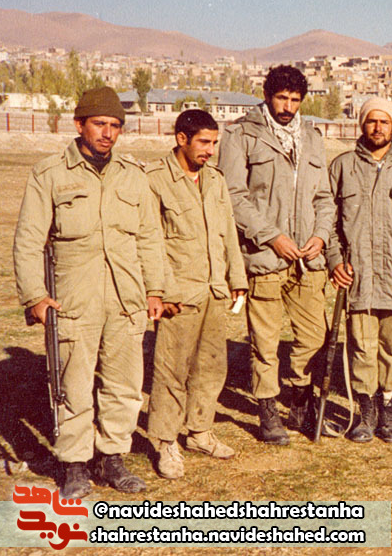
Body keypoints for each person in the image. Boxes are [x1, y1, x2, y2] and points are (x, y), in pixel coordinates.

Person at [13, 87, 164, 499]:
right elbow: (28, 240)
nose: (108, 133)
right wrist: (35, 296)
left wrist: (155, 289)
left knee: (124, 384)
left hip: (126, 298)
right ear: (79, 124)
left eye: (115, 126)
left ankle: (112, 457)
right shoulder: (50, 174)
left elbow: (150, 237)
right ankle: (75, 463)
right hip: (73, 300)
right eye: (99, 124)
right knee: (73, 384)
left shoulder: (134, 175)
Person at [218, 65, 335, 444]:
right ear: (267, 96)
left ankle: (300, 403)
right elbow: (233, 195)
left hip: (308, 261)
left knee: (315, 336)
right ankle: (268, 410)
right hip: (264, 258)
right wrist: (271, 237)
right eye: (281, 98)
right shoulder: (241, 135)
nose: (288, 107)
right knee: (265, 342)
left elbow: (324, 198)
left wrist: (320, 236)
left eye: (295, 100)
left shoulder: (312, 138)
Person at [144, 110, 248, 479]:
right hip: (179, 294)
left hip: (213, 290)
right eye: (204, 142)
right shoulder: (155, 180)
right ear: (181, 139)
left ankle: (200, 431)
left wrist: (237, 277)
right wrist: (159, 291)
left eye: (215, 143)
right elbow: (151, 241)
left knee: (211, 366)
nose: (210, 150)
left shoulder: (215, 180)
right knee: (171, 369)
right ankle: (166, 440)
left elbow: (228, 233)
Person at [328, 97, 392, 444]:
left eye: (384, 121)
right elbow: (329, 224)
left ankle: (388, 412)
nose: (377, 127)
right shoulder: (342, 166)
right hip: (357, 275)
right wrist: (335, 261)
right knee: (361, 346)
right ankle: (365, 413)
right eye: (371, 121)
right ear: (362, 125)